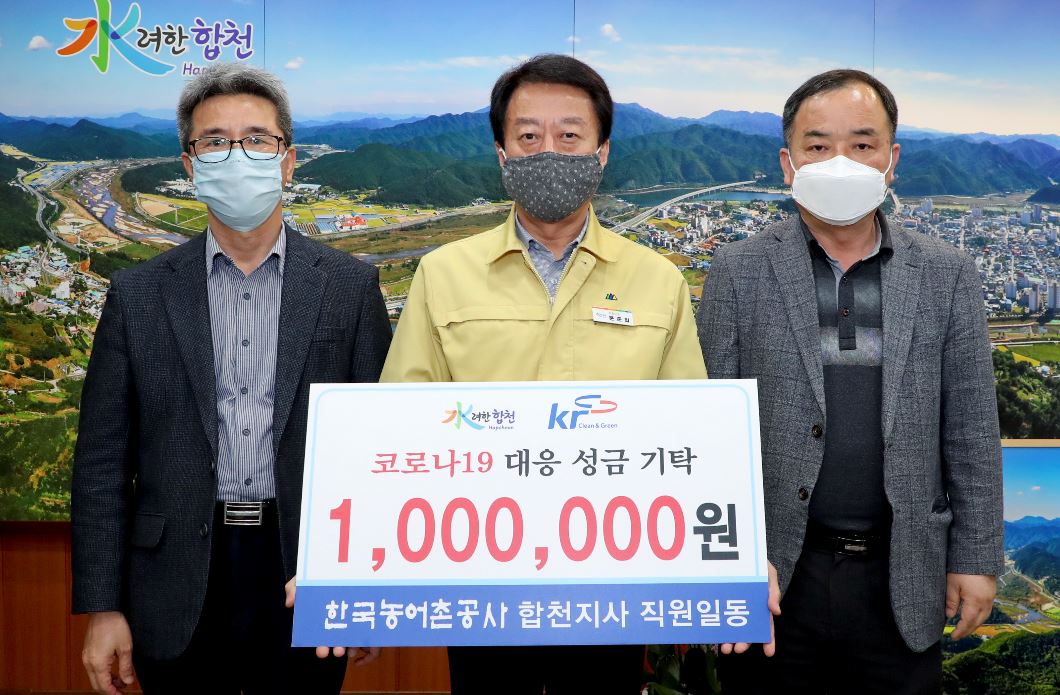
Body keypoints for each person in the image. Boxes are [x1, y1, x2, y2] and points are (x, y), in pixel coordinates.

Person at [381, 54, 707, 694]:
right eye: (529, 136)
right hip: (480, 578)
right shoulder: (443, 274)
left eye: (570, 135)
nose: (549, 151)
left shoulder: (659, 281)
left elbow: (690, 434)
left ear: (602, 152)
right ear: (502, 153)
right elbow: (402, 421)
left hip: (613, 584)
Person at [71, 63, 391, 695]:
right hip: (171, 575)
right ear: (190, 166)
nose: (236, 156)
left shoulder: (350, 287)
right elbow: (103, 460)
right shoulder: (138, 294)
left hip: (304, 571)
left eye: (257, 140)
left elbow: (377, 451)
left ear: (288, 161)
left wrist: (361, 580)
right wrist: (102, 607)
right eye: (214, 141)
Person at [697, 69, 1003, 694]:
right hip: (775, 571)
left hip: (903, 571)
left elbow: (971, 428)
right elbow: (709, 429)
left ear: (893, 159)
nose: (840, 161)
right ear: (787, 163)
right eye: (818, 145)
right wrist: (726, 558)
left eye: (862, 144)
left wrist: (975, 558)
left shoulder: (946, 272)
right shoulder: (738, 269)